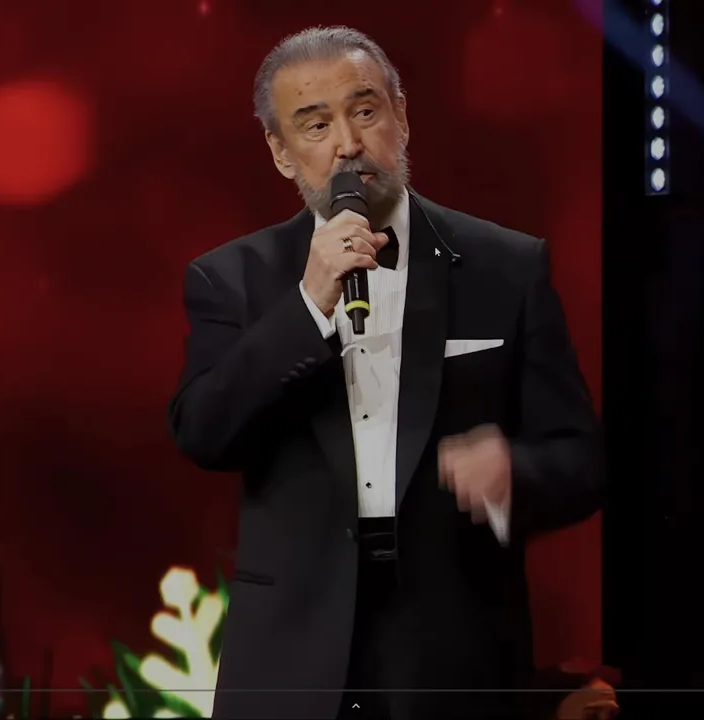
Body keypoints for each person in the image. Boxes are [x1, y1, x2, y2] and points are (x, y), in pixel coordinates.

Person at [167, 25, 603, 720]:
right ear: (281, 151)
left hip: (454, 648)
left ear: (401, 115)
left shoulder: (506, 265)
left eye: (364, 110)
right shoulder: (230, 279)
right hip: (291, 652)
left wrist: (512, 471)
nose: (347, 143)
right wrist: (307, 305)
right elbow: (204, 432)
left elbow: (581, 460)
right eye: (316, 125)